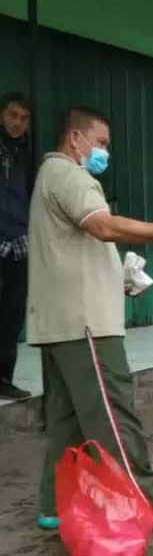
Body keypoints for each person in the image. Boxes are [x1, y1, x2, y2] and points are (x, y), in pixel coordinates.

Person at [29, 106, 153, 530]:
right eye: (101, 143)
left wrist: (118, 275)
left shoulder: (50, 177)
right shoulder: (69, 175)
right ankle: (148, 499)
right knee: (114, 413)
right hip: (86, 323)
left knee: (67, 421)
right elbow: (104, 227)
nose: (104, 153)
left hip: (60, 321)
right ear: (75, 138)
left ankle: (54, 505)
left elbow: (78, 247)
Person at [0, 93, 33, 400]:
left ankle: (3, 379)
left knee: (12, 316)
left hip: (20, 243)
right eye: (12, 115)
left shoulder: (25, 151)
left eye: (23, 118)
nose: (17, 123)